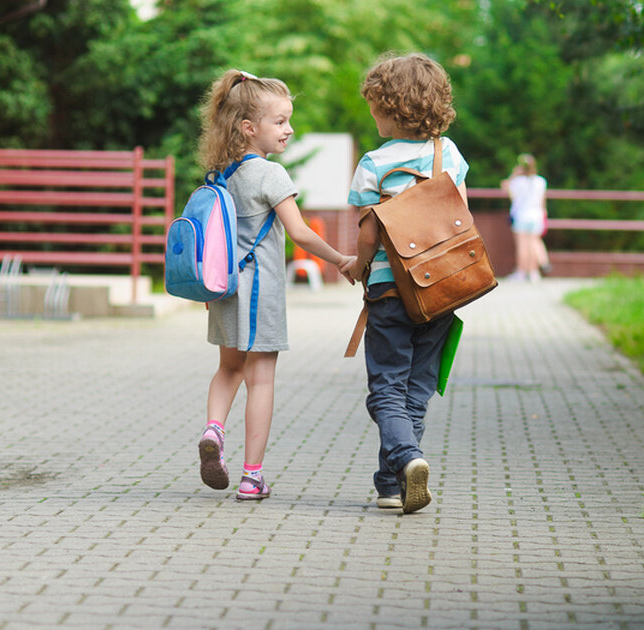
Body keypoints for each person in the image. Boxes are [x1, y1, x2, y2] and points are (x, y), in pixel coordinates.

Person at [195, 69, 357, 500]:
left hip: (224, 292)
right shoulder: (271, 176)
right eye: (280, 121)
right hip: (261, 295)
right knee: (261, 379)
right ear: (250, 128)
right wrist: (341, 260)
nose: (289, 129)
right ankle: (251, 477)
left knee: (228, 368)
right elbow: (300, 233)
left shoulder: (220, 176)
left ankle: (214, 429)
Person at [347, 53, 469, 514]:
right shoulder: (449, 154)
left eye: (375, 106)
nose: (372, 114)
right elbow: (461, 215)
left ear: (392, 107)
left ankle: (408, 458)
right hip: (442, 286)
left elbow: (368, 231)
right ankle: (391, 484)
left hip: (390, 289)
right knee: (415, 388)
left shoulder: (373, 164)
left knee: (386, 388)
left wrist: (358, 267)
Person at [501, 153, 549, 281]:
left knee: (522, 245)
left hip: (521, 215)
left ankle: (521, 272)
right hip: (536, 215)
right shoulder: (541, 181)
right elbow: (543, 201)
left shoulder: (517, 182)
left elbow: (504, 186)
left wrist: (513, 174)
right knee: (533, 243)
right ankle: (533, 273)